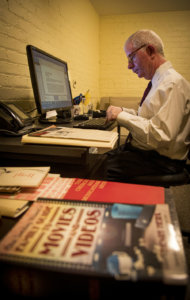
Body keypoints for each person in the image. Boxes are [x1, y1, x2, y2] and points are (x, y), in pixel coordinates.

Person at [105, 29, 190, 182]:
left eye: (131, 57)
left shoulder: (172, 83)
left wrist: (121, 116)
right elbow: (148, 117)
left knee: (97, 168)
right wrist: (123, 110)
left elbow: (159, 135)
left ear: (150, 50)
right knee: (98, 158)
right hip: (149, 155)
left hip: (161, 161)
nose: (129, 66)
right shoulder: (159, 82)